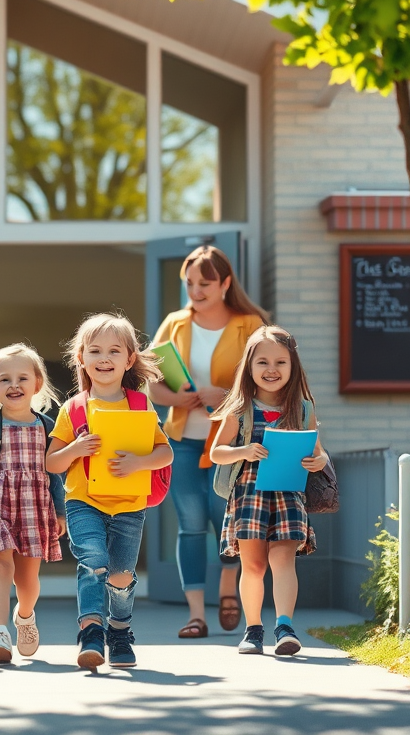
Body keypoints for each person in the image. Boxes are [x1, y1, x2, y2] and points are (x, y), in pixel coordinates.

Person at [148, 245, 268, 640]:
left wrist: (227, 394)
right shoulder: (175, 324)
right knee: (191, 525)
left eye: (205, 283)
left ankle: (228, 590)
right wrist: (175, 398)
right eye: (190, 283)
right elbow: (151, 378)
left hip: (230, 441)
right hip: (182, 439)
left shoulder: (250, 325)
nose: (196, 290)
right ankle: (196, 614)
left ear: (225, 283)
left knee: (227, 518)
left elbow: (266, 377)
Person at [46, 314, 174, 669]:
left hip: (130, 505)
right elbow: (52, 462)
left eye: (114, 351)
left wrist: (138, 462)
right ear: (81, 358)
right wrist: (74, 450)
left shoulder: (139, 404)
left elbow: (165, 452)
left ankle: (120, 629)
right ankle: (90, 631)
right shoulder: (73, 408)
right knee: (92, 563)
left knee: (120, 574)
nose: (104, 358)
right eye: (96, 351)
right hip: (83, 501)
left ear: (129, 359)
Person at [210, 325, 326, 656]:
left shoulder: (303, 408)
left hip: (288, 493)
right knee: (254, 566)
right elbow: (217, 453)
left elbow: (319, 451)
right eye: (262, 362)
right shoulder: (239, 409)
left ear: (293, 366)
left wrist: (317, 461)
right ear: (249, 366)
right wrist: (243, 452)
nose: (271, 370)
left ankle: (285, 627)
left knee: (283, 560)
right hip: (249, 495)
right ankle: (253, 629)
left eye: (280, 362)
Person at [0, 343, 66, 664]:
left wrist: (60, 511)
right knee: (1, 567)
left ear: (37, 384)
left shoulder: (48, 427)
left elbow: (54, 474)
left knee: (28, 579)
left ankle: (26, 615)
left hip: (35, 506)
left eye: (22, 378)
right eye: (5, 380)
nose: (14, 385)